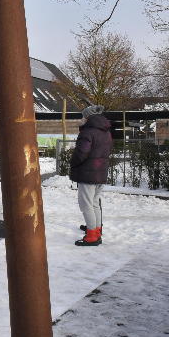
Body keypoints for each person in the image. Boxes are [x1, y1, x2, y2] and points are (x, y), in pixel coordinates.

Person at [69, 105, 112, 246]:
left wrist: (73, 162)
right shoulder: (105, 131)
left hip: (88, 173)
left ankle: (92, 236)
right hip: (100, 172)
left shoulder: (87, 132)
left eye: (83, 116)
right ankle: (96, 230)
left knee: (86, 204)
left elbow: (82, 153)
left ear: (88, 117)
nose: (81, 119)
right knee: (94, 203)